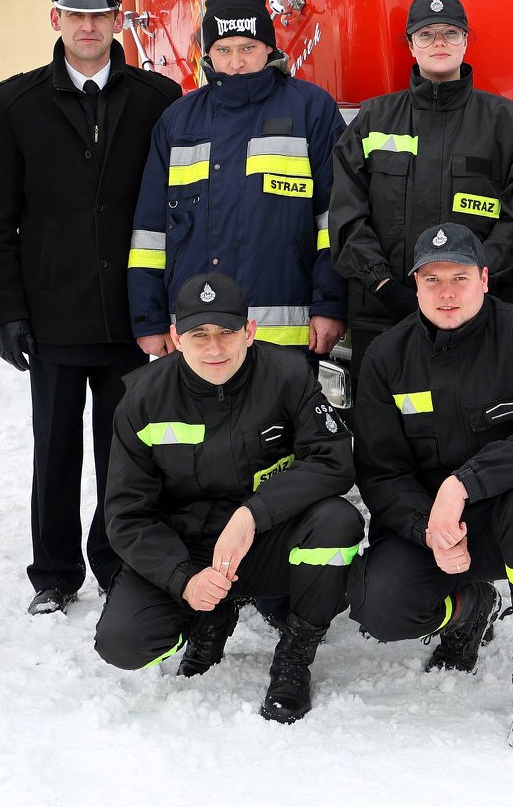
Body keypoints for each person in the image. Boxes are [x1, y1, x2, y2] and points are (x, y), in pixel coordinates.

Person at [0, 0, 183, 615]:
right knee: (56, 450)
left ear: (119, 20)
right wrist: (7, 312)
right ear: (55, 19)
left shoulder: (157, 98)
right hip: (54, 315)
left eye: (100, 14)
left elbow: (176, 209)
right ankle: (54, 572)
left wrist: (169, 305)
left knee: (126, 455)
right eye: (76, 14)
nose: (88, 26)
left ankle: (119, 562)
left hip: (131, 318)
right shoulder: (15, 102)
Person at [348, 222, 513, 752]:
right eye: (431, 279)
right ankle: (470, 609)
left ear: (484, 279)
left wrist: (463, 483)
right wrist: (426, 529)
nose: (446, 292)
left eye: (459, 277)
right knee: (379, 605)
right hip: (436, 525)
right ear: (415, 284)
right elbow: (382, 472)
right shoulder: (387, 356)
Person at [94, 273, 362, 724]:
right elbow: (126, 514)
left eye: (227, 332)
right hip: (187, 549)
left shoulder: (289, 375)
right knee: (124, 643)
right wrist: (183, 579)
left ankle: (295, 658)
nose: (215, 348)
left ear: (249, 331)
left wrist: (253, 514)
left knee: (337, 523)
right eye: (199, 334)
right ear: (176, 337)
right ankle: (209, 617)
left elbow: (333, 461)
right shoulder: (142, 399)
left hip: (263, 541)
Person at [127, 0, 345, 361]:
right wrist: (148, 319)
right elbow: (150, 233)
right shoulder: (177, 121)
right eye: (224, 50)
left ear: (269, 48)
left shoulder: (312, 110)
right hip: (197, 334)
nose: (236, 63)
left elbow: (336, 220)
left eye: (248, 48)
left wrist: (331, 305)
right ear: (208, 53)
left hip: (287, 335)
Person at [331, 0, 513, 359]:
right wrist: (383, 285)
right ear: (411, 45)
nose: (439, 42)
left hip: (481, 318)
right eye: (426, 34)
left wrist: (468, 287)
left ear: (465, 42)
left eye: (450, 33)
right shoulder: (372, 119)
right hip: (385, 316)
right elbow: (347, 218)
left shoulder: (507, 123)